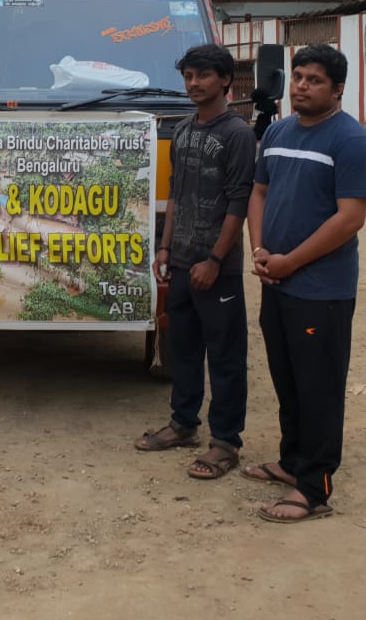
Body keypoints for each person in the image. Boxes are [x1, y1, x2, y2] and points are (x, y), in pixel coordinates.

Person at [244, 43, 366, 524]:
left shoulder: (352, 142)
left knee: (318, 386)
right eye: (298, 76)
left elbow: (349, 219)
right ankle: (291, 461)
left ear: (338, 89)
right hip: (277, 281)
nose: (302, 86)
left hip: (321, 290)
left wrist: (290, 262)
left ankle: (314, 487)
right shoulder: (278, 131)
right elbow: (259, 192)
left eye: (315, 80)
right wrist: (261, 251)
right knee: (287, 378)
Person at [135, 44, 256, 481]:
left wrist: (215, 260)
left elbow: (239, 202)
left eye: (202, 75)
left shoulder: (238, 134)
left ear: (225, 80)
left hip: (216, 269)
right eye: (188, 76)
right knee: (183, 351)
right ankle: (183, 425)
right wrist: (165, 250)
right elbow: (176, 195)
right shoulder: (184, 130)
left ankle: (225, 443)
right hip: (182, 263)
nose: (193, 83)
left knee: (225, 357)